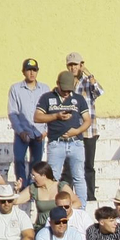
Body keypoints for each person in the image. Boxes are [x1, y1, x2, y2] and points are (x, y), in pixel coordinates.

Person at [34, 70, 92, 209]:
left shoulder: (78, 99)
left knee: (79, 177)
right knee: (53, 178)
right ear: (58, 84)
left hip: (76, 143)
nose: (66, 93)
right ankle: (56, 208)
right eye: (64, 89)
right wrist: (56, 116)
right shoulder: (47, 98)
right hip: (56, 143)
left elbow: (87, 120)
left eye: (69, 89)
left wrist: (77, 131)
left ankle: (82, 209)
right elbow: (37, 117)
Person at [66, 52, 104, 205]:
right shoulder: (66, 83)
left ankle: (90, 196)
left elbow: (100, 92)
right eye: (70, 65)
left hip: (89, 131)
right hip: (72, 131)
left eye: (76, 64)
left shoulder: (88, 82)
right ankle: (68, 195)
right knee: (69, 166)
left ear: (81, 65)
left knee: (88, 165)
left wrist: (90, 75)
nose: (73, 67)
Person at [6, 58, 48, 187]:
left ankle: (33, 187)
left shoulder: (45, 89)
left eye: (34, 70)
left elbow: (49, 111)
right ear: (23, 72)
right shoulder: (15, 89)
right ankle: (22, 185)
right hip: (22, 132)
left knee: (36, 163)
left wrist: (46, 130)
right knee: (19, 160)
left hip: (39, 133)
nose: (32, 73)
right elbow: (13, 112)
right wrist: (20, 131)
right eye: (29, 70)